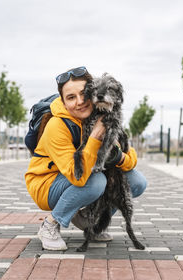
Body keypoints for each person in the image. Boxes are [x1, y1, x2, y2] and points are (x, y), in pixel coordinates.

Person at [24, 66, 147, 251]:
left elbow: (129, 159)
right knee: (96, 181)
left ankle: (90, 222)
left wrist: (119, 157)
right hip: (47, 184)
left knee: (136, 181)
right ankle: (49, 225)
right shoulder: (56, 126)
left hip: (79, 178)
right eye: (71, 98)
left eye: (84, 94)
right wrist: (95, 136)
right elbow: (77, 175)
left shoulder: (101, 115)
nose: (80, 102)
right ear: (64, 102)